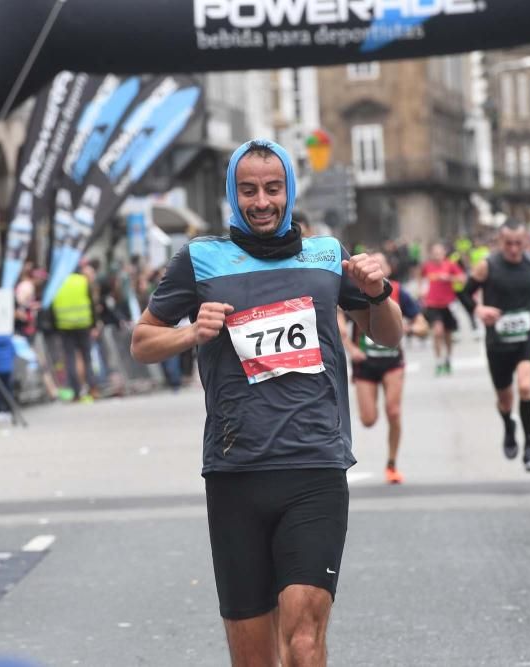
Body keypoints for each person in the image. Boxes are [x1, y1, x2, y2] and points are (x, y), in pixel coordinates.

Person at [130, 139, 402, 667]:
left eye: (273, 189)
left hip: (314, 468)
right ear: (233, 193)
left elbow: (386, 336)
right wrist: (192, 335)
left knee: (303, 643)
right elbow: (142, 341)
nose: (261, 201)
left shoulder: (327, 255)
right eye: (248, 190)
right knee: (253, 660)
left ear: (288, 191)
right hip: (237, 473)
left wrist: (379, 291)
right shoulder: (199, 260)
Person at [458, 220, 530, 473]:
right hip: (498, 342)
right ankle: (509, 426)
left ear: (526, 242)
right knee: (505, 399)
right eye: (508, 243)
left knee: (525, 387)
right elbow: (464, 293)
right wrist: (478, 309)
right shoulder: (488, 267)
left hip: (527, 338)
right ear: (501, 242)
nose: (513, 248)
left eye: (518, 243)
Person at [339, 252, 427, 484]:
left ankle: (391, 463)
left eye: (380, 263)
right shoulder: (354, 289)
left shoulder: (399, 292)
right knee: (368, 419)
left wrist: (409, 329)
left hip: (392, 361)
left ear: (387, 269)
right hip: (365, 363)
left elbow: (422, 325)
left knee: (393, 411)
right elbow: (340, 321)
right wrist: (351, 348)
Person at [51, 267, 96, 402]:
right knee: (87, 358)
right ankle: (93, 388)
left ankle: (76, 392)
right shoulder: (82, 281)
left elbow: (53, 306)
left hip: (64, 326)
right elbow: (91, 303)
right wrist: (94, 324)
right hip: (83, 324)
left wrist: (55, 326)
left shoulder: (57, 282)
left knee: (70, 359)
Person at [420, 242, 465, 376]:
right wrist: (421, 291)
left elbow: (462, 279)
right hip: (432, 305)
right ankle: (439, 361)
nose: (437, 256)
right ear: (431, 254)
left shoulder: (450, 265)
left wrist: (449, 278)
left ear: (444, 253)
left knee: (448, 335)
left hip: (448, 304)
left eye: (439, 253)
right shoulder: (427, 266)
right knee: (437, 332)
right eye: (434, 253)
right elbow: (421, 279)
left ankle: (448, 359)